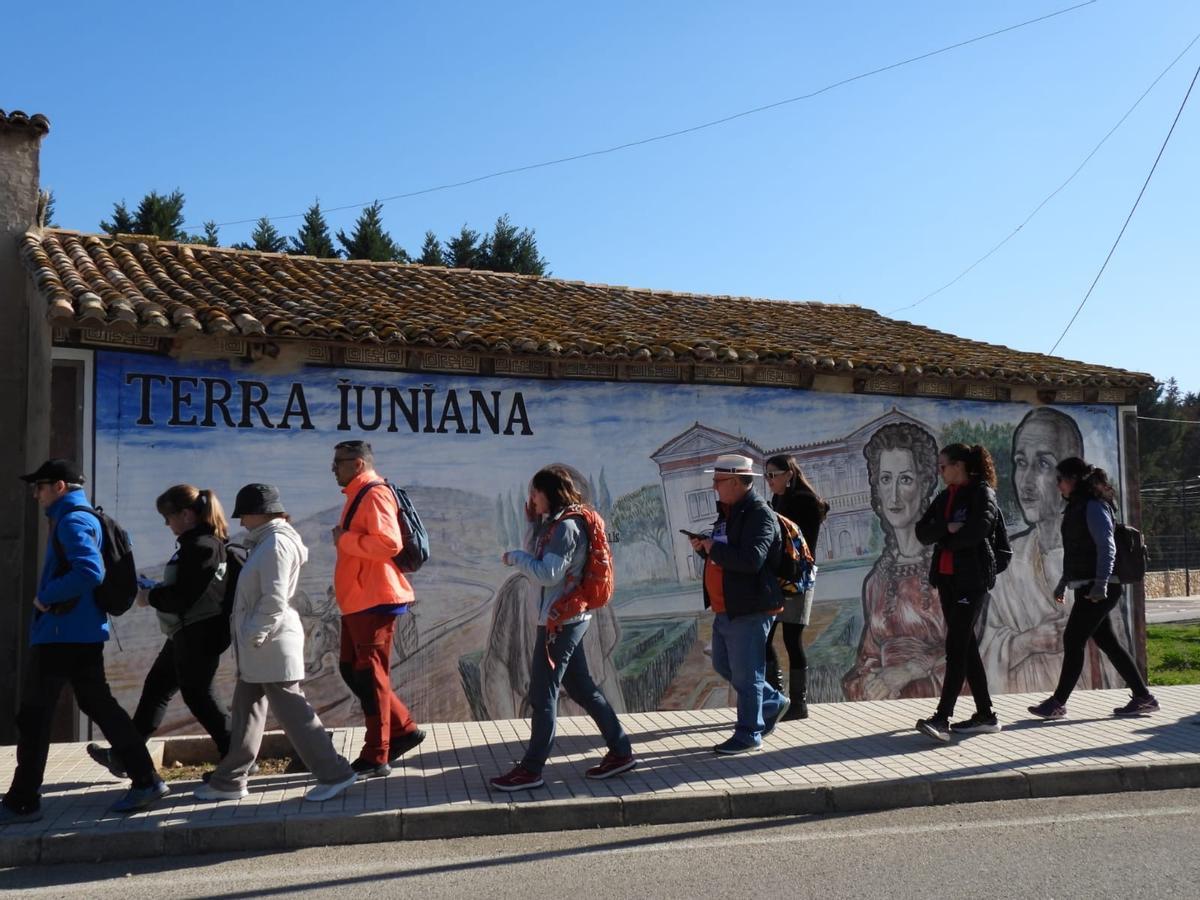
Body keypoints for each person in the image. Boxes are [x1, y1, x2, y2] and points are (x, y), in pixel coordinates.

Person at [1, 459, 167, 824]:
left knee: (34, 716)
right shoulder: (82, 517)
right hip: (81, 632)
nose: (35, 493)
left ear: (59, 486)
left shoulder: (73, 520)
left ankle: (23, 801)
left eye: (40, 486)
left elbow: (90, 570)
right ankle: (145, 778)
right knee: (99, 705)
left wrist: (47, 596)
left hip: (62, 634)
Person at [195, 483, 358, 803]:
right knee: (246, 712)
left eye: (244, 515)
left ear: (260, 513)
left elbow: (274, 598)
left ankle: (335, 772)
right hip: (263, 644)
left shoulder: (276, 545)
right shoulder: (267, 542)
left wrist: (254, 634)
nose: (241, 522)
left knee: (294, 715)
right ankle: (229, 780)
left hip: (269, 642)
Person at [490, 465, 635, 790]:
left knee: (542, 695)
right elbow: (539, 558)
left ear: (549, 493)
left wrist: (514, 558)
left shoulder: (567, 527)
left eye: (535, 492)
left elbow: (547, 574)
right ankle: (621, 751)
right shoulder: (555, 525)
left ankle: (531, 769)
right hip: (564, 618)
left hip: (560, 621)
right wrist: (530, 523)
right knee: (582, 688)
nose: (531, 498)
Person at [85, 484, 234, 779]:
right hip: (186, 633)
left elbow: (185, 596)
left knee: (199, 697)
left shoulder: (202, 547)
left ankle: (235, 757)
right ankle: (126, 756)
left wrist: (150, 597)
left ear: (187, 514)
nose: (166, 524)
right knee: (157, 690)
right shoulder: (198, 544)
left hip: (198, 635)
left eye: (168, 517)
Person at [981, 408, 1105, 693]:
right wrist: (1028, 641)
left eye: (1043, 464)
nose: (1025, 481)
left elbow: (1107, 661)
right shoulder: (1011, 560)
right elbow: (987, 645)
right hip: (1018, 696)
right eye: (1021, 462)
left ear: (1068, 478)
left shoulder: (1087, 546)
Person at [1027, 458, 1160, 720]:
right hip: (1089, 585)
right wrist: (1065, 582)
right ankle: (1144, 697)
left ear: (1074, 479)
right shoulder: (1078, 506)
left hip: (1100, 588)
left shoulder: (1093, 506)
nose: (1058, 485)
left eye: (1060, 479)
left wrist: (1100, 585)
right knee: (1108, 642)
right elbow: (1077, 551)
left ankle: (1057, 703)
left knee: (1073, 639)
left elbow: (1106, 547)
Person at [330, 440, 426, 779]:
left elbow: (389, 543)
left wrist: (344, 540)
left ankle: (377, 754)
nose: (333, 469)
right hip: (359, 600)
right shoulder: (360, 494)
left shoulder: (373, 493)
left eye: (338, 462)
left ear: (357, 464)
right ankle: (403, 730)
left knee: (369, 677)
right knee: (352, 671)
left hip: (374, 599)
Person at [689, 454, 789, 754]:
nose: (714, 487)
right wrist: (705, 549)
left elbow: (751, 560)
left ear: (735, 481)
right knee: (723, 664)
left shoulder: (759, 514)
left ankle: (749, 734)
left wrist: (714, 550)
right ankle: (772, 701)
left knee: (747, 675)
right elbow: (726, 552)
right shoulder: (730, 512)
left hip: (749, 608)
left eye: (718, 481)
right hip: (727, 608)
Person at [843, 423, 944, 701]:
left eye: (906, 479)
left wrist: (911, 671)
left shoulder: (946, 565)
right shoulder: (878, 579)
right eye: (886, 479)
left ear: (925, 485)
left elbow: (967, 645)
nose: (894, 495)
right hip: (889, 709)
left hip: (936, 700)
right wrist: (872, 683)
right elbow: (869, 656)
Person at [913, 444, 1003, 742]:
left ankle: (942, 718)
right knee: (966, 647)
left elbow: (978, 530)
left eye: (943, 466)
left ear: (960, 465)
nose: (940, 472)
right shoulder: (944, 496)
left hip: (971, 580)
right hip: (947, 580)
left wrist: (947, 537)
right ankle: (986, 715)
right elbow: (922, 531)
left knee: (956, 646)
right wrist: (947, 527)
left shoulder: (982, 493)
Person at [763, 454, 829, 720]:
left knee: (792, 639)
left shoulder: (804, 502)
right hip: (779, 576)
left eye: (773, 474)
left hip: (798, 577)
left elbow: (802, 546)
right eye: (766, 475)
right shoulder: (779, 500)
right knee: (765, 638)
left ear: (789, 474)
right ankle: (777, 699)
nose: (769, 481)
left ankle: (798, 704)